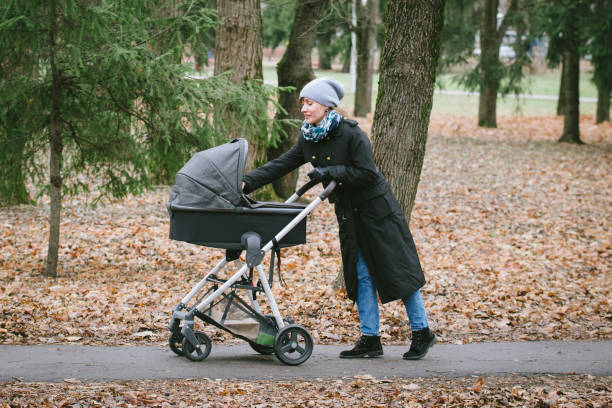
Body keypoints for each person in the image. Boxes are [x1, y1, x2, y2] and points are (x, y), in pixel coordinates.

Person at [242, 77, 436, 360]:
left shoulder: (351, 134)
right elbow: (282, 164)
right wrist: (247, 182)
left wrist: (333, 172)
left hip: (377, 212)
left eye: (309, 103)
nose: (304, 109)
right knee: (362, 275)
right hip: (348, 214)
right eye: (303, 104)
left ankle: (422, 332)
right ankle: (370, 339)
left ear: (327, 105)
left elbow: (368, 173)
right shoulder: (309, 136)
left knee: (398, 270)